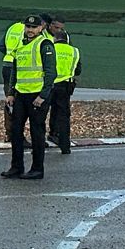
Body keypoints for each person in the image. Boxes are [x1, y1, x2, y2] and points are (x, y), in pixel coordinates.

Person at [2, 15, 56, 180]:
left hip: (37, 96)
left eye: (33, 27)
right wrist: (11, 93)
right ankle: (16, 167)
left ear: (41, 28)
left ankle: (37, 169)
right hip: (21, 95)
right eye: (28, 27)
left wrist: (43, 95)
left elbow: (51, 72)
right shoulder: (22, 45)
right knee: (16, 131)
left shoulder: (45, 45)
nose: (30, 30)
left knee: (37, 132)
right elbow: (15, 71)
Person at [46, 17, 80, 155]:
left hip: (48, 86)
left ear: (55, 39)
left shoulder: (50, 48)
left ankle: (40, 144)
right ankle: (65, 146)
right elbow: (78, 71)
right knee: (63, 116)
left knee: (41, 116)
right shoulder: (74, 51)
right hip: (65, 87)